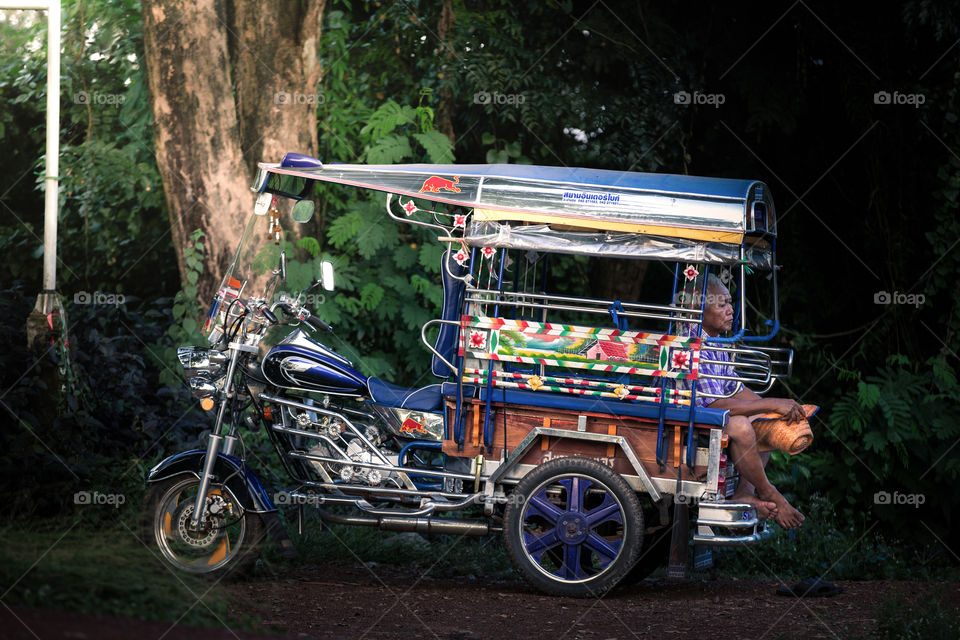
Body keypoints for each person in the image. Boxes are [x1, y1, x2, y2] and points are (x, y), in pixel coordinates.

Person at [684, 274, 806, 529]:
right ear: (698, 311)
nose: (730, 311)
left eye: (730, 303)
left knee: (767, 422)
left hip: (705, 416)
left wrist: (779, 410)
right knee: (741, 424)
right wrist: (771, 404)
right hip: (684, 418)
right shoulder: (692, 342)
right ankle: (770, 492)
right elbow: (716, 406)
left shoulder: (716, 340)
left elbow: (735, 388)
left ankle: (743, 494)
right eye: (721, 305)